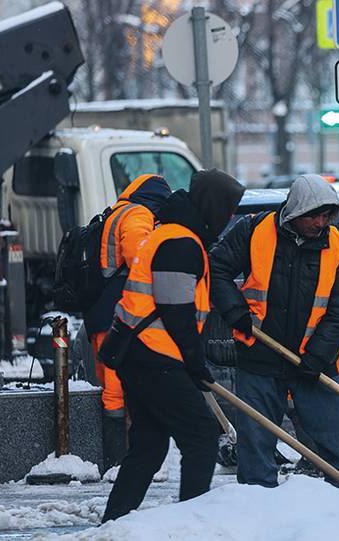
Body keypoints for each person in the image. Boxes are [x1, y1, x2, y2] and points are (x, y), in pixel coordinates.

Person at [101, 169, 244, 522]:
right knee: (201, 437)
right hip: (156, 355)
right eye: (227, 209)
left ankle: (116, 520)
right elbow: (175, 309)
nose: (228, 218)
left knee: (149, 446)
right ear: (212, 206)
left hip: (141, 353)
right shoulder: (180, 243)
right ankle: (188, 522)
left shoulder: (172, 233)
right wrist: (195, 363)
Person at [210, 174, 339, 488]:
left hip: (311, 359)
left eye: (326, 215)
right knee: (255, 442)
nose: (320, 222)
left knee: (338, 437)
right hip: (260, 353)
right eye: (313, 215)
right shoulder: (254, 231)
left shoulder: (338, 248)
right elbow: (217, 269)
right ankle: (258, 501)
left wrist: (319, 354)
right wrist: (236, 312)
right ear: (295, 211)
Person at [82, 173, 171, 472]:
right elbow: (139, 256)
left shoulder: (118, 211)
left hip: (102, 309)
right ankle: (117, 458)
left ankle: (117, 456)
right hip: (116, 310)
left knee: (111, 382)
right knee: (116, 386)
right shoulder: (137, 214)